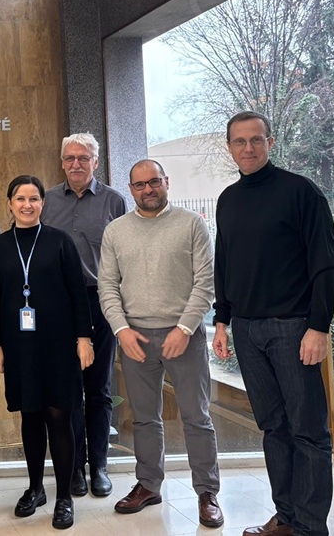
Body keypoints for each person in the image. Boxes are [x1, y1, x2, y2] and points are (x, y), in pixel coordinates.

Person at [212, 111, 334, 536]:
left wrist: (318, 327)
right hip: (247, 331)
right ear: (229, 147)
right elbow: (224, 263)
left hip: (294, 328)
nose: (248, 148)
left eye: (256, 140)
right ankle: (286, 517)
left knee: (308, 432)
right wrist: (222, 320)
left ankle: (310, 527)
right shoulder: (228, 200)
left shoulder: (301, 192)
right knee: (273, 428)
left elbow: (326, 266)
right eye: (239, 141)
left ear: (270, 143)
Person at [98, 159, 224, 529]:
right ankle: (149, 485)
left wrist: (184, 328)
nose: (148, 190)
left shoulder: (191, 224)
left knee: (196, 416)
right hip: (135, 338)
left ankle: (207, 492)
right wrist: (121, 330)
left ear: (166, 182)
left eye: (154, 182)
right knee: (144, 417)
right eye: (140, 185)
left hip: (183, 337)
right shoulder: (116, 231)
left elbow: (206, 281)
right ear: (131, 189)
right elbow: (108, 285)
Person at [0, 175, 94, 530]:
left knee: (59, 417)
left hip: (59, 345)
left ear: (43, 203)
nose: (27, 205)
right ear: (10, 203)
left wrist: (84, 338)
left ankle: (63, 497)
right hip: (19, 347)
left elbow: (78, 293)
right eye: (20, 198)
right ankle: (35, 488)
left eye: (34, 198)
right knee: (30, 416)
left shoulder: (60, 241)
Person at [41, 133, 126, 498]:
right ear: (62, 162)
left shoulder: (114, 201)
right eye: (69, 158)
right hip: (59, 306)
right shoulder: (46, 201)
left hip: (100, 301)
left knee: (100, 389)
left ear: (96, 162)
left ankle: (99, 466)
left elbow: (125, 254)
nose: (76, 164)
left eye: (83, 158)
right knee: (68, 389)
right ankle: (74, 466)